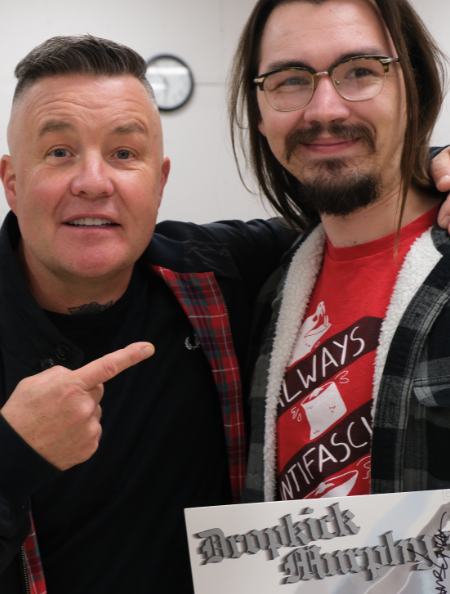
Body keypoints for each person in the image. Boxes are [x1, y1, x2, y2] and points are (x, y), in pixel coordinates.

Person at [0, 35, 297, 593]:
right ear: (12, 182)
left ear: (159, 183)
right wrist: (11, 461)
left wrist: (428, 171)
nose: (93, 181)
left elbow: (353, 210)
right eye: (60, 152)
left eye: (124, 154)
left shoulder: (218, 272)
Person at [228, 0, 450, 503]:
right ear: (260, 115)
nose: (325, 109)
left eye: (360, 71)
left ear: (413, 87)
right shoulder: (266, 291)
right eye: (289, 79)